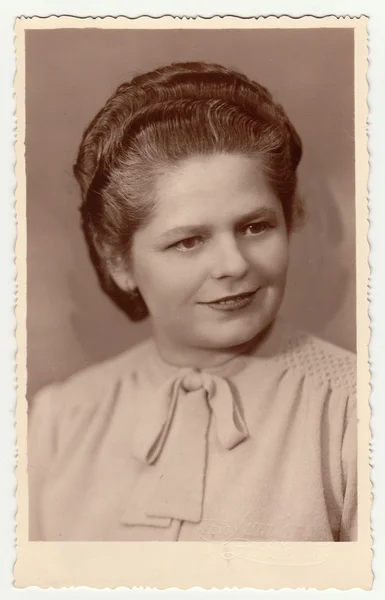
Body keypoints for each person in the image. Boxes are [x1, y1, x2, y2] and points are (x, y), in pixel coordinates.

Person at [28, 61, 357, 542]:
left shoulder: (356, 412)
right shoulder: (60, 422)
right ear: (117, 260)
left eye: (255, 226)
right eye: (188, 241)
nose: (233, 264)